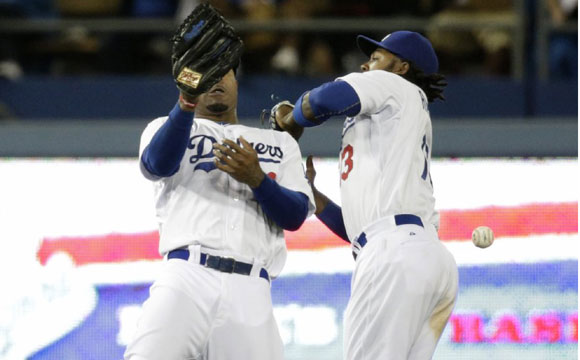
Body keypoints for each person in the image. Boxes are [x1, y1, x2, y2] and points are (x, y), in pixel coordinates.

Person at [273, 31, 459, 359]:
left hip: (395, 254)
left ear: (401, 67)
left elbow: (323, 99)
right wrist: (315, 198)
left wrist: (290, 118)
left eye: (376, 57)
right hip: (423, 256)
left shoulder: (394, 84)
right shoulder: (399, 115)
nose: (366, 64)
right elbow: (359, 231)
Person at [124, 65, 315, 359]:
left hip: (251, 287)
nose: (216, 80)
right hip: (187, 276)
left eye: (224, 72)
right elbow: (156, 165)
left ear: (236, 82)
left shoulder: (280, 142)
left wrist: (258, 179)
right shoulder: (167, 127)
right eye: (206, 73)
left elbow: (295, 215)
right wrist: (185, 97)